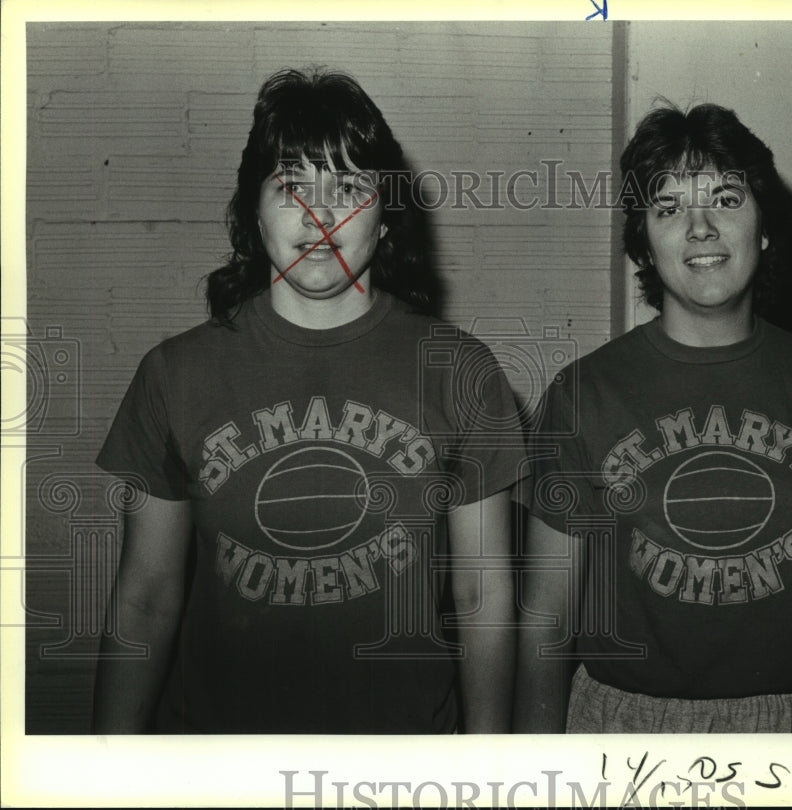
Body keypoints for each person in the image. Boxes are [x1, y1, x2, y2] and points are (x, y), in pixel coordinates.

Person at [93, 68, 522, 734]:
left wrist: (493, 772)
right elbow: (144, 599)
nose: (319, 215)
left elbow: (482, 595)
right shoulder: (174, 375)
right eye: (291, 186)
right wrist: (105, 773)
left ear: (385, 219)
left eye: (349, 188)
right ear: (253, 212)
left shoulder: (461, 371)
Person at [514, 102, 792, 733]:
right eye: (668, 208)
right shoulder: (582, 392)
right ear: (643, 240)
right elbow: (546, 617)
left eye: (725, 199)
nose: (699, 227)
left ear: (764, 227)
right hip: (624, 729)